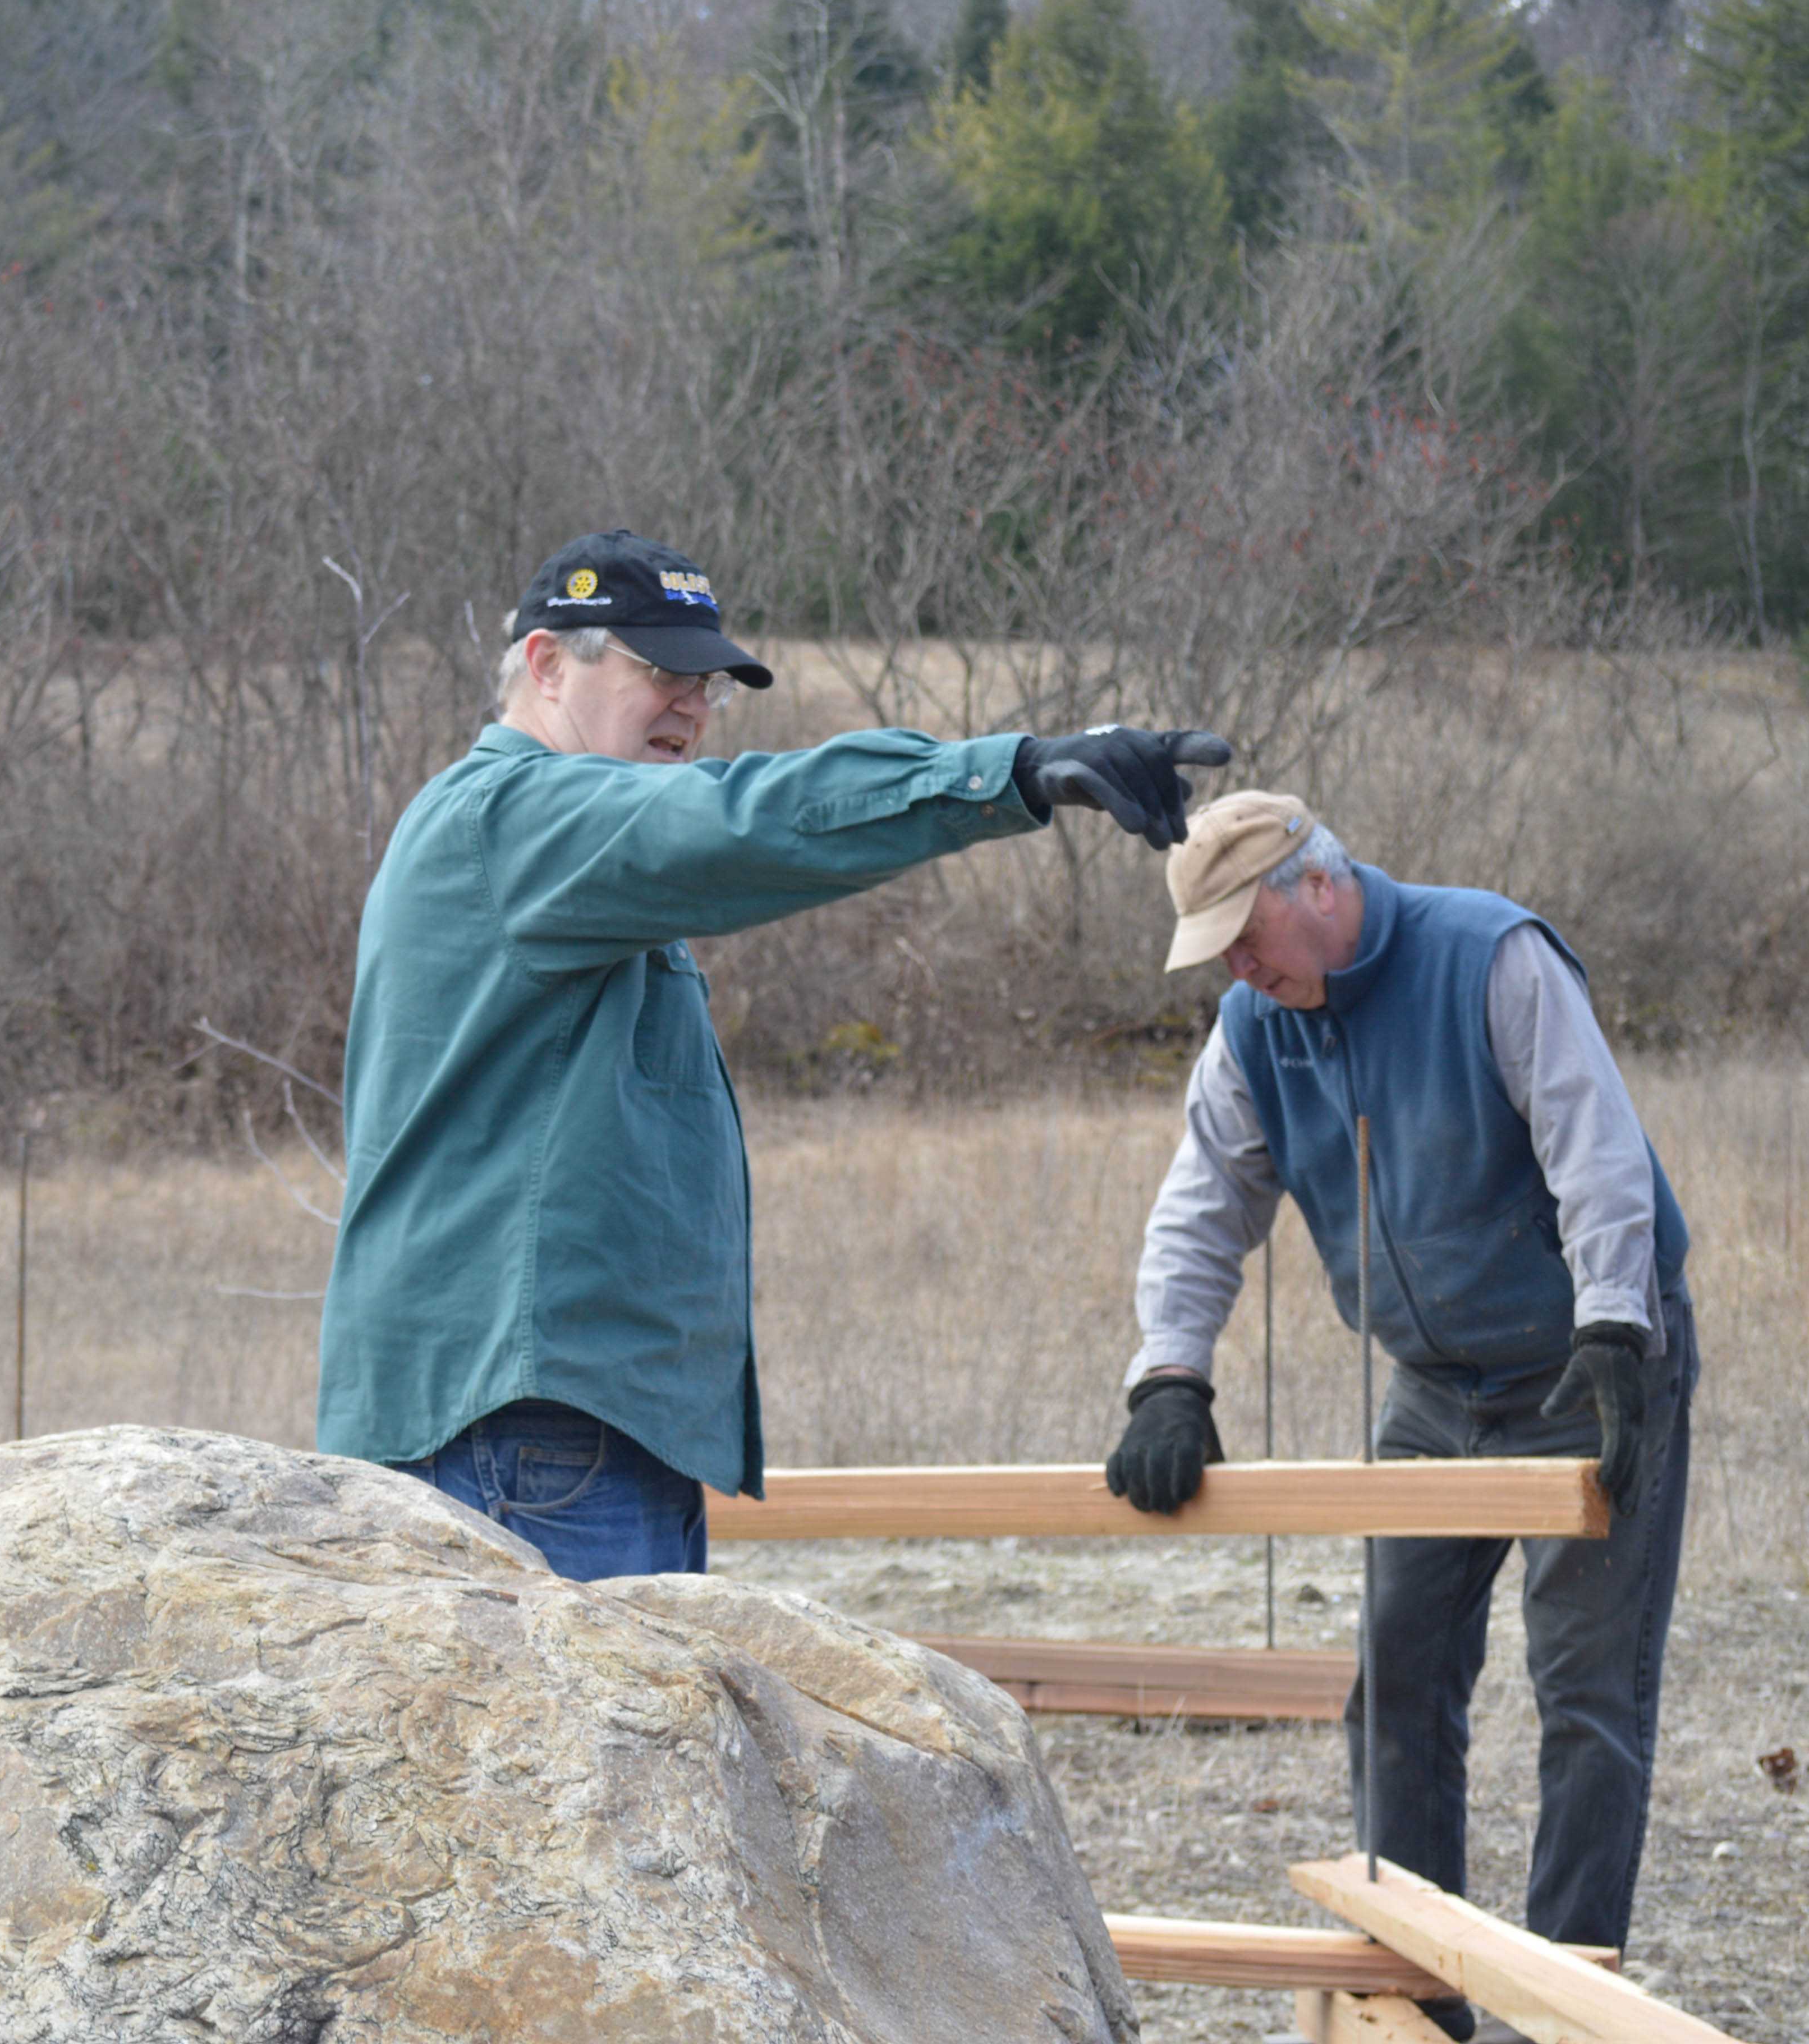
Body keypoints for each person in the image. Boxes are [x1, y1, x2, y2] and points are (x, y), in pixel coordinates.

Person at [319, 527, 1230, 1581]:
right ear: (547, 663)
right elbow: (741, 821)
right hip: (526, 1440)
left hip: (570, 1434)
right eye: (663, 672)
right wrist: (1009, 774)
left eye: (709, 685)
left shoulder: (557, 851)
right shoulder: (513, 819)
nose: (693, 707)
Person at [1101, 791, 1694, 2031]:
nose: (1236, 968)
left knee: (1586, 1696)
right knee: (1397, 1679)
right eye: (1216, 950)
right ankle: (1416, 2000)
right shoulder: (1254, 1025)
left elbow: (1593, 1145)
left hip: (1584, 1365)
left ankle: (1560, 2005)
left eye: (1244, 935)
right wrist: (1169, 1376)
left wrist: (1613, 1323)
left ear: (1317, 885)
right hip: (1433, 1390)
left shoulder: (1489, 958)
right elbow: (1201, 1205)